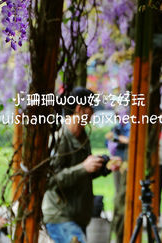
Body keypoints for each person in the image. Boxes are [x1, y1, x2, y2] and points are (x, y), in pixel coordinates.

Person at [42, 87, 121, 243]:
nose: (93, 114)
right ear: (80, 109)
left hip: (78, 218)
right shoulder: (60, 139)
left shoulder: (83, 137)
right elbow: (50, 180)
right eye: (91, 108)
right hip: (61, 218)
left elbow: (82, 174)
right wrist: (83, 167)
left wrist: (104, 167)